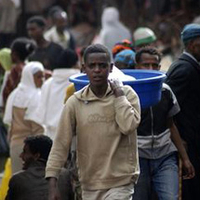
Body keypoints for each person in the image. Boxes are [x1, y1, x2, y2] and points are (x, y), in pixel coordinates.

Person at [46, 44, 141, 200]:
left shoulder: (127, 95)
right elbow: (60, 144)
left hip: (121, 182)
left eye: (102, 66)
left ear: (110, 68)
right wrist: (52, 185)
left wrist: (119, 97)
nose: (97, 70)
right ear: (84, 69)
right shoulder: (75, 102)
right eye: (92, 66)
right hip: (89, 184)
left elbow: (128, 126)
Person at [133, 47, 195, 200]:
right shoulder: (129, 93)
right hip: (138, 157)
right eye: (145, 65)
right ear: (136, 67)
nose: (150, 69)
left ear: (160, 68)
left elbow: (171, 125)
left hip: (165, 155)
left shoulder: (165, 91)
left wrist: (185, 159)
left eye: (154, 66)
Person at [165, 23, 200, 200]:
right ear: (194, 44)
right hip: (188, 140)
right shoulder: (184, 69)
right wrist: (179, 138)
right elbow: (166, 105)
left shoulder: (190, 66)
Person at [3, 61, 45, 174]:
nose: (41, 80)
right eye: (38, 77)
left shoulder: (15, 94)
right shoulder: (36, 97)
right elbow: (37, 128)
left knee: (17, 181)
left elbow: (11, 124)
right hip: (31, 150)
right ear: (29, 77)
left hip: (15, 146)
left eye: (43, 76)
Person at [35, 49, 79, 140]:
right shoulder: (79, 82)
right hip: (74, 134)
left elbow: (40, 112)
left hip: (51, 134)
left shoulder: (48, 83)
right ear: (74, 64)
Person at [6, 135, 52, 200]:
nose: (21, 155)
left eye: (25, 152)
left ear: (36, 156)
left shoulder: (18, 179)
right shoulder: (64, 175)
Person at [2, 37, 36, 107]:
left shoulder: (15, 70)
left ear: (14, 54)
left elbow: (7, 92)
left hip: (14, 106)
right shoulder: (32, 68)